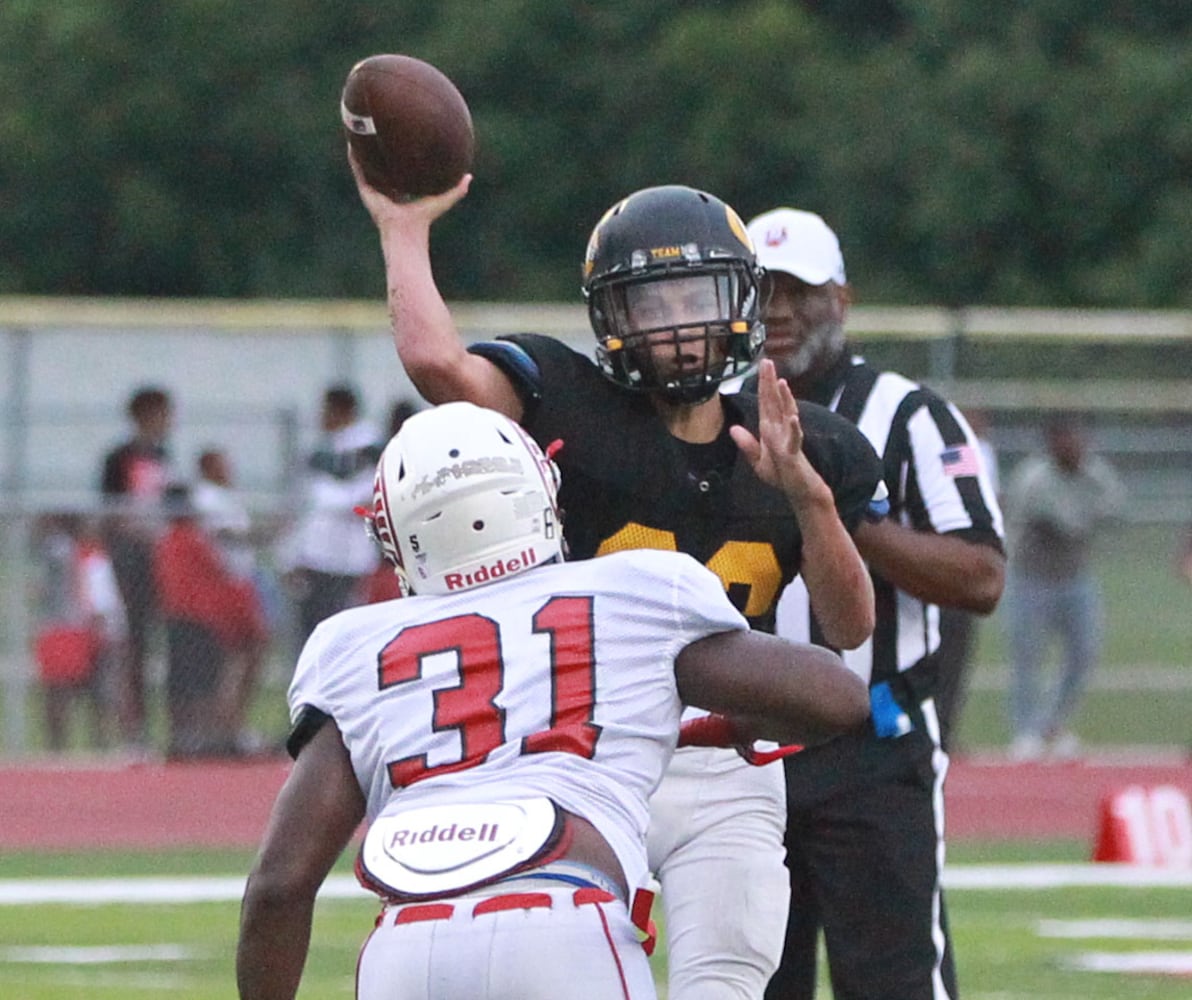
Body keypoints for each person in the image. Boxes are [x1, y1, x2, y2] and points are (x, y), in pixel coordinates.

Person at [350, 164, 884, 1000]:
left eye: (697, 298)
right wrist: (403, 228)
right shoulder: (570, 405)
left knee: (732, 978)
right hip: (585, 754)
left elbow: (850, 628)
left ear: (741, 305)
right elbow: (438, 365)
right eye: (652, 305)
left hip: (728, 760)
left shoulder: (803, 441)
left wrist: (809, 498)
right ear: (609, 320)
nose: (677, 329)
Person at [237, 402, 871, 1000]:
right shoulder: (631, 588)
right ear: (542, 494)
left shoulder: (352, 644)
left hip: (405, 946)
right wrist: (720, 718)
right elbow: (836, 698)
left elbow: (280, 885)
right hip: (566, 923)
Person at [743, 206, 1006, 1000]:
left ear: (842, 301)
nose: (780, 309)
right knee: (751, 982)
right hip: (743, 756)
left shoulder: (909, 414)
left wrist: (839, 512)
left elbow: (980, 576)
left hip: (874, 741)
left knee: (894, 983)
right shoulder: (709, 415)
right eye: (763, 288)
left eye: (800, 289)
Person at [1002, 412, 1125, 761]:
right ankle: (1026, 731)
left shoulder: (1095, 473)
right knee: (1028, 656)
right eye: (1067, 440)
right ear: (1053, 444)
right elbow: (1057, 522)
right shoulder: (1034, 479)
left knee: (1084, 651)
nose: (1075, 446)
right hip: (1032, 577)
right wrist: (1088, 517)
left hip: (1076, 576)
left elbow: (1117, 509)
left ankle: (1051, 725)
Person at [154, 484, 269, 758]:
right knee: (198, 684)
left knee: (194, 683)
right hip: (196, 619)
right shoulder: (189, 541)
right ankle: (200, 737)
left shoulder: (176, 540)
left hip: (186, 618)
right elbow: (215, 577)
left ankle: (203, 737)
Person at [275, 384, 384, 646]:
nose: (321, 417)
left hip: (348, 559)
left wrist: (341, 505)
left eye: (326, 410)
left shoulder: (367, 447)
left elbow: (366, 501)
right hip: (316, 557)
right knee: (312, 631)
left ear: (342, 410)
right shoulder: (323, 451)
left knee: (342, 632)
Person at [98, 385, 175, 750]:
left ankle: (170, 724)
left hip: (158, 554)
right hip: (131, 554)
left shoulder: (163, 455)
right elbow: (109, 511)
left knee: (165, 638)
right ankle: (132, 728)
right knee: (134, 641)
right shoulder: (119, 458)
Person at [192, 449, 273, 753]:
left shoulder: (225, 497)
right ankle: (227, 723)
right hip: (227, 582)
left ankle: (233, 721)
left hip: (242, 580)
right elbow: (221, 534)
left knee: (251, 651)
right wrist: (257, 535)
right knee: (242, 651)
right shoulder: (207, 497)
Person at [934, 407, 1001, 752]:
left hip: (963, 569)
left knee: (955, 659)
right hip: (937, 570)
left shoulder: (976, 452)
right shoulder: (943, 448)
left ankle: (944, 729)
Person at [31, 512, 126, 751]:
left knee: (99, 695)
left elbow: (102, 603)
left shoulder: (91, 558)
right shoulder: (65, 553)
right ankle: (58, 747)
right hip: (71, 631)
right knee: (59, 690)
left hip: (91, 634)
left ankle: (100, 744)